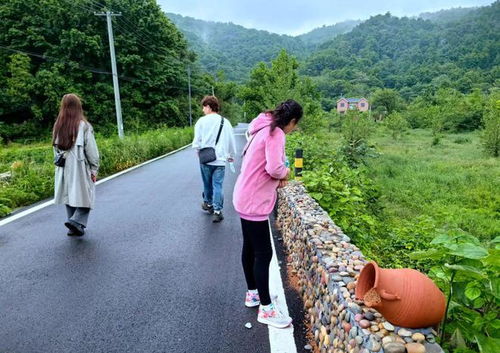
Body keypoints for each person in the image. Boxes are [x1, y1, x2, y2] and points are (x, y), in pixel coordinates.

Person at [233, 99, 303, 328]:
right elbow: (274, 167)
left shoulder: (262, 126)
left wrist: (277, 176)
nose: (294, 129)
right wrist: (286, 172)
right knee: (263, 254)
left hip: (244, 194)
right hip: (254, 200)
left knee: (250, 248)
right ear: (292, 121)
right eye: (296, 125)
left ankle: (253, 294)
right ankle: (266, 309)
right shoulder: (276, 133)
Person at [52, 94, 99, 236]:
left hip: (63, 167)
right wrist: (94, 168)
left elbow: (55, 149)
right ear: (78, 107)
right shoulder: (83, 125)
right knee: (87, 197)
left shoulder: (57, 125)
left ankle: (74, 226)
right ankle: (75, 222)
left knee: (69, 195)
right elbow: (91, 151)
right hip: (79, 166)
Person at [192, 96, 236, 222]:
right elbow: (231, 141)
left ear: (209, 107)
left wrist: (198, 151)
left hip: (206, 158)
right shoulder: (225, 122)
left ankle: (208, 204)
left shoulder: (201, 121)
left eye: (204, 107)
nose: (203, 110)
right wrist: (231, 156)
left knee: (207, 184)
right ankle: (217, 211)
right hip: (220, 160)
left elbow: (197, 141)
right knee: (218, 185)